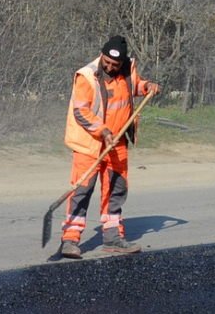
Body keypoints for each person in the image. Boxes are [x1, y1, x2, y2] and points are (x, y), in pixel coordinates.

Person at [58, 36, 160, 258]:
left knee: (116, 190)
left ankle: (113, 238)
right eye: (107, 62)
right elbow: (81, 111)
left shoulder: (127, 69)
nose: (110, 67)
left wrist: (147, 86)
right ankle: (70, 240)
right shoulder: (86, 76)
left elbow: (135, 86)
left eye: (115, 64)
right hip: (90, 144)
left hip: (118, 144)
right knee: (82, 192)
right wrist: (103, 132)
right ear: (101, 55)